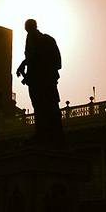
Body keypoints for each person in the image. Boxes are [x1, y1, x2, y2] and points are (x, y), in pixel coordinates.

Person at [16, 19, 65, 147]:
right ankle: (41, 132)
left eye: (28, 28)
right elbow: (33, 58)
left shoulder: (45, 40)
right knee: (38, 106)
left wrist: (25, 64)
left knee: (46, 105)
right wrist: (26, 67)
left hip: (45, 80)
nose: (27, 31)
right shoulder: (33, 40)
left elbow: (40, 58)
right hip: (36, 80)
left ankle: (49, 134)